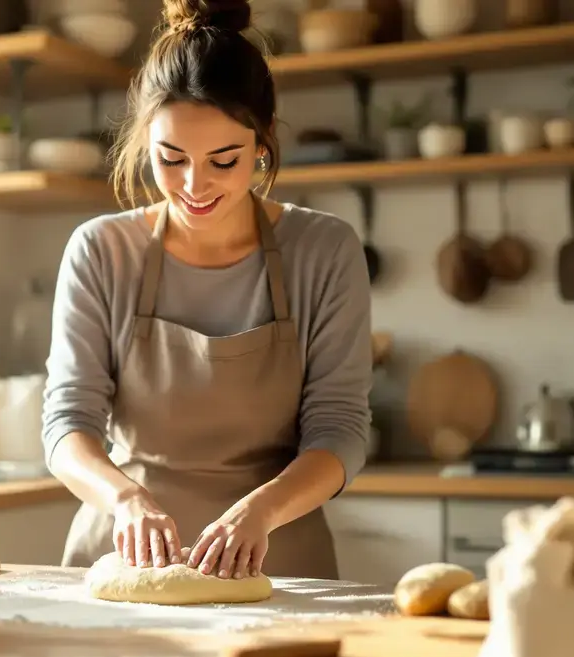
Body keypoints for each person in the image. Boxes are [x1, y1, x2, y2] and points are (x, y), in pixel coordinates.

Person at [41, 0, 373, 582]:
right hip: (123, 555)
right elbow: (69, 422)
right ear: (146, 143)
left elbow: (340, 427)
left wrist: (261, 511)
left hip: (275, 558)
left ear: (263, 143)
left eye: (224, 160)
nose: (195, 186)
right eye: (171, 159)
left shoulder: (324, 250)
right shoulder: (100, 250)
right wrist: (125, 499)